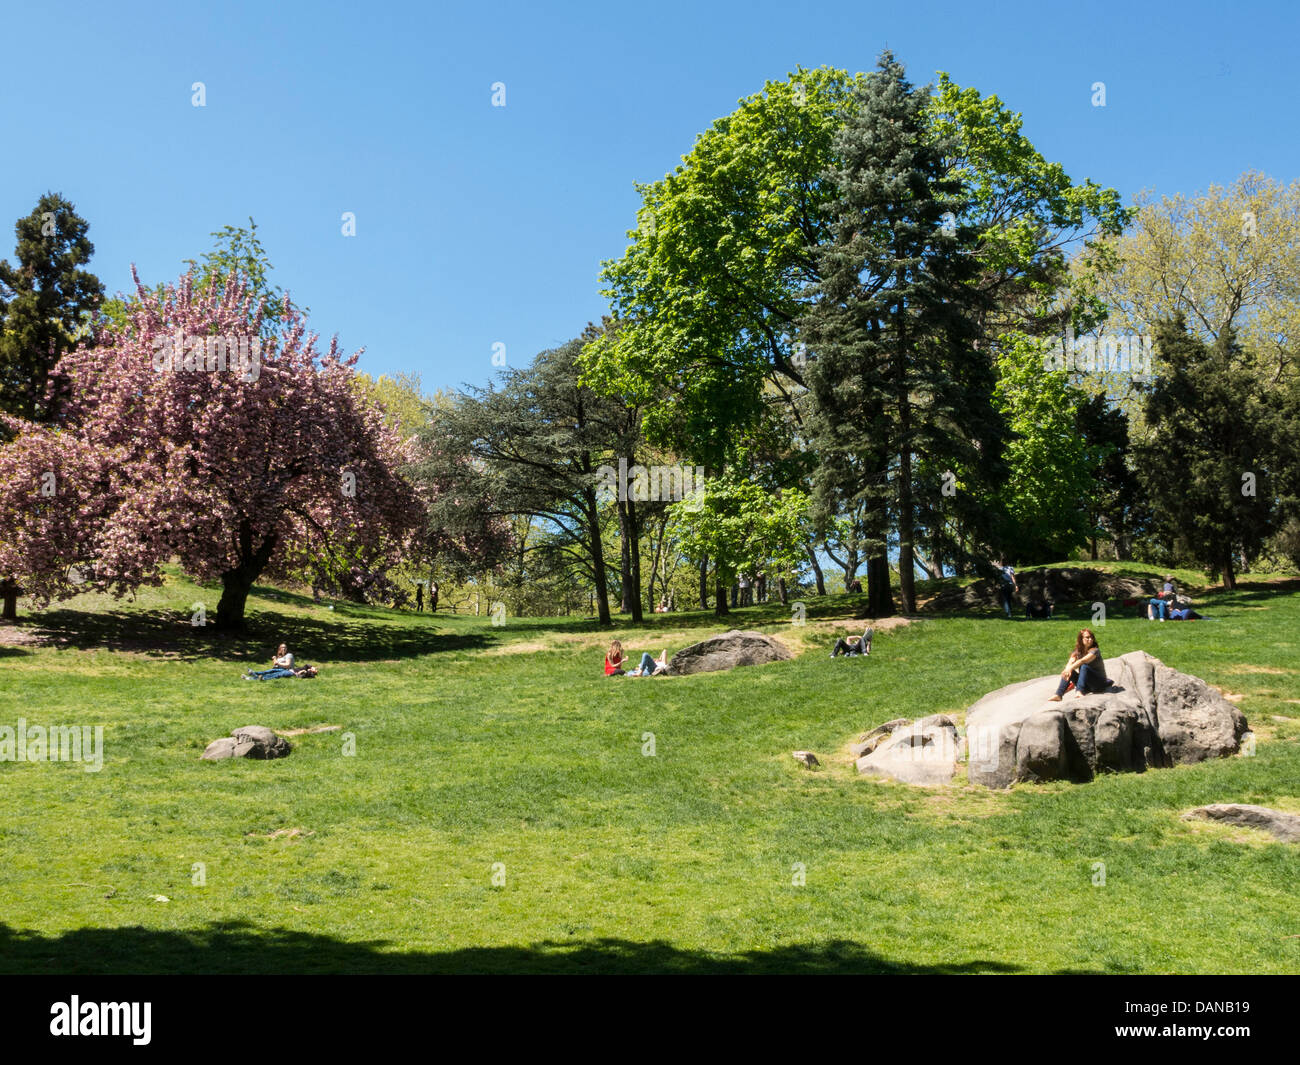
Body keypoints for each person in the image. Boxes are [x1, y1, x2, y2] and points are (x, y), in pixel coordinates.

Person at [1048, 628, 1107, 700]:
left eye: (1092, 637)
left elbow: (1083, 661)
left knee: (1084, 666)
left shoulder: (1095, 650)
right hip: (1087, 685)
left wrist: (1069, 668)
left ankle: (1079, 691)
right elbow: (1070, 662)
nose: (1090, 639)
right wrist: (1067, 670)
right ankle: (1058, 694)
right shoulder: (1077, 651)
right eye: (1087, 637)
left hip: (1099, 684)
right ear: (1081, 639)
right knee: (1070, 671)